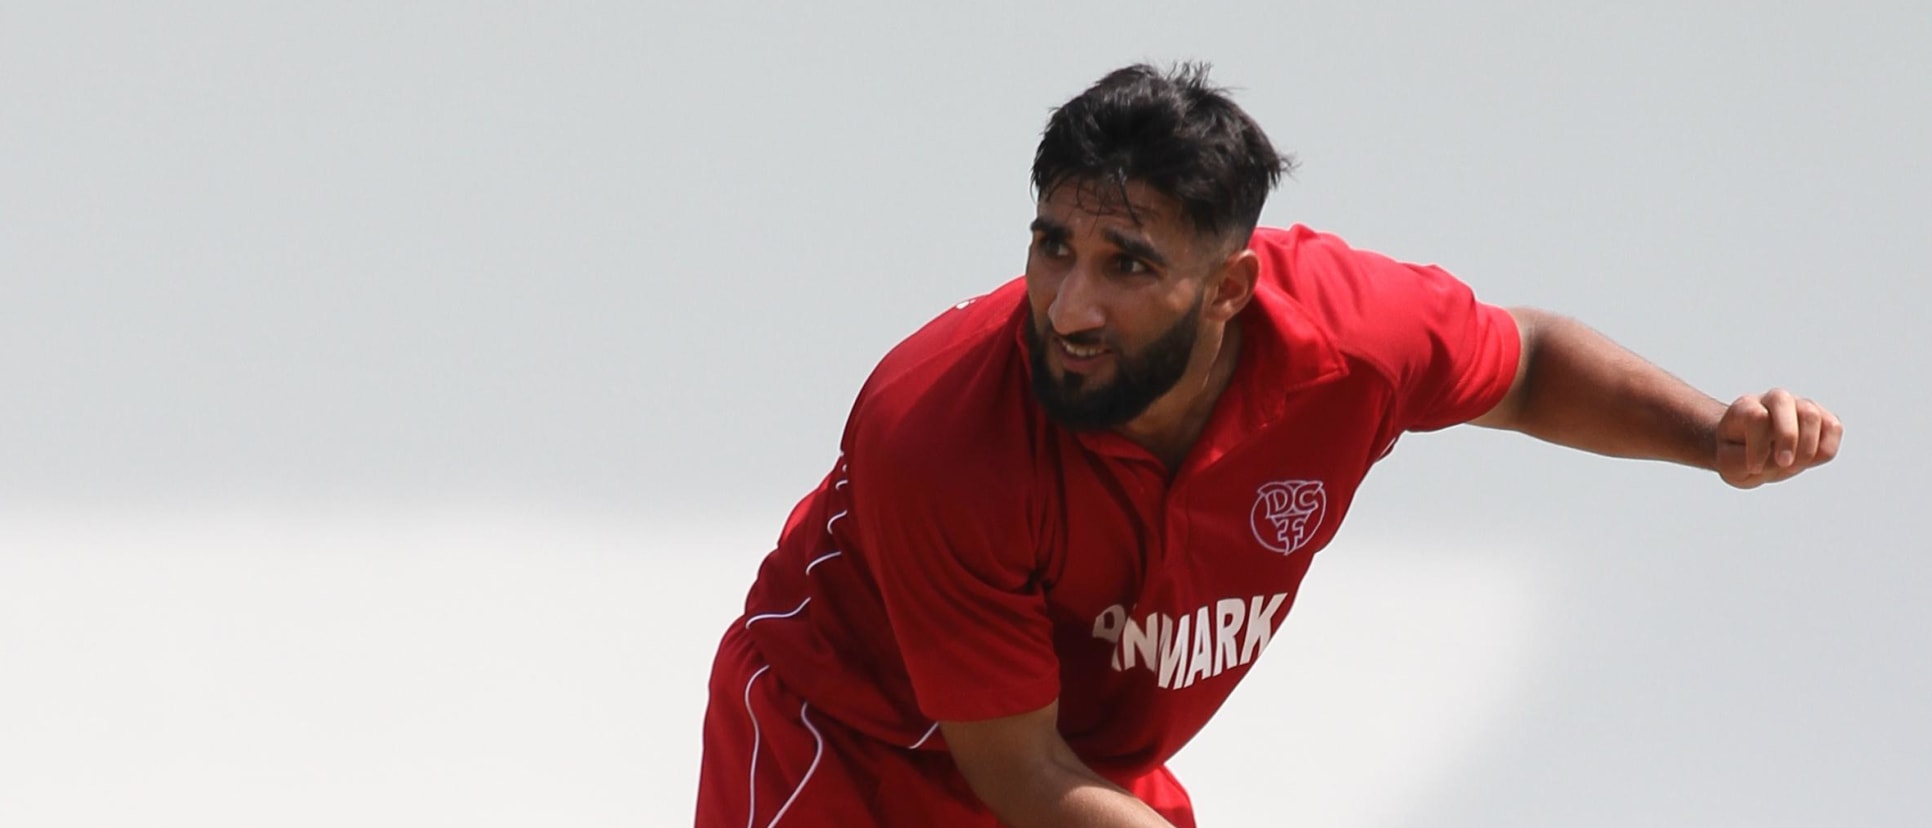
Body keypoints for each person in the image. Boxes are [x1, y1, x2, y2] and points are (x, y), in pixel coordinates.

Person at [692, 63, 1843, 828]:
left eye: (1128, 262)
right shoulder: (940, 432)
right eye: (1054, 245)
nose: (1069, 305)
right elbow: (1021, 779)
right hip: (850, 753)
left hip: (1091, 767)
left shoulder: (1354, 337)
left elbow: (1527, 363)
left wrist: (1711, 434)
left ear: (1232, 285)